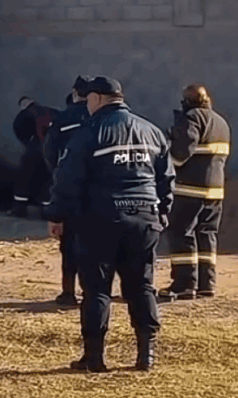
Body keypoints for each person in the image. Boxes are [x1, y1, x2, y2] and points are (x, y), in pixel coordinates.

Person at [41, 76, 175, 373]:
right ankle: (146, 355)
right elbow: (166, 179)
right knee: (141, 286)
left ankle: (95, 358)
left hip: (100, 219)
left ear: (98, 99)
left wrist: (56, 214)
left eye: (88, 99)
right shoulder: (151, 131)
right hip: (144, 218)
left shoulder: (89, 133)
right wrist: (162, 212)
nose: (86, 104)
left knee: (97, 290)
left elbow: (68, 179)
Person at [158, 84, 231, 301]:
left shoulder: (191, 118)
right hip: (215, 190)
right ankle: (207, 284)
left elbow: (181, 154)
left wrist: (165, 161)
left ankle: (184, 284)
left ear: (187, 102)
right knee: (207, 234)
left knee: (181, 233)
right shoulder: (221, 122)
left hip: (190, 189)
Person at [42, 76, 91, 306]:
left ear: (74, 92)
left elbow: (49, 152)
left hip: (71, 189)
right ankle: (95, 291)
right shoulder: (102, 117)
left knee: (69, 244)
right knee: (98, 244)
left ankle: (68, 292)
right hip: (99, 190)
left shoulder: (62, 119)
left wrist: (58, 175)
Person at [8, 96, 59, 218]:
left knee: (24, 179)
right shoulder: (50, 111)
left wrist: (29, 143)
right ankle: (45, 210)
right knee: (47, 179)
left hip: (35, 149)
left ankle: (19, 208)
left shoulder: (24, 114)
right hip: (51, 150)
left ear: (23, 105)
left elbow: (18, 129)